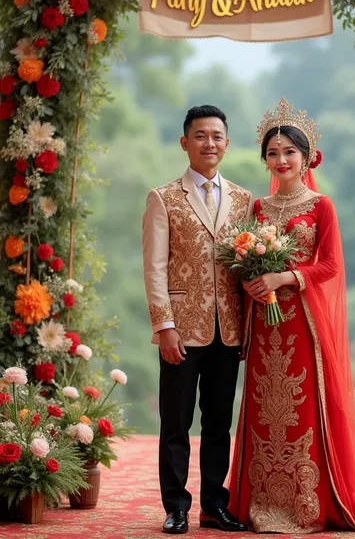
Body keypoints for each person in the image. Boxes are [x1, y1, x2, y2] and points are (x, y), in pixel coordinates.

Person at [228, 98, 355, 533]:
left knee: (299, 405)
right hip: (265, 323)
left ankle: (307, 504)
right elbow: (240, 264)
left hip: (302, 323)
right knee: (264, 405)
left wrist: (285, 277)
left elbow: (330, 265)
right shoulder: (257, 209)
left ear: (307, 156)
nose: (281, 160)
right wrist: (253, 284)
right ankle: (261, 500)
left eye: (289, 152)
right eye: (272, 153)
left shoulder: (322, 205)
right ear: (265, 159)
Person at [142, 105, 252, 534]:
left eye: (217, 136)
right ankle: (176, 508)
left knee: (218, 423)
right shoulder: (163, 197)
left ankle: (213, 505)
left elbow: (245, 268)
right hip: (181, 331)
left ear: (227, 143)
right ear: (184, 142)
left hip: (229, 329)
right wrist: (164, 326)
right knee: (176, 423)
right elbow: (154, 267)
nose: (210, 143)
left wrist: (249, 328)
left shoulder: (244, 200)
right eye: (201, 135)